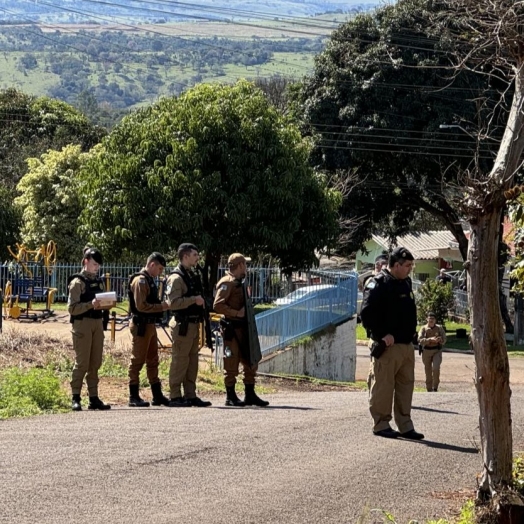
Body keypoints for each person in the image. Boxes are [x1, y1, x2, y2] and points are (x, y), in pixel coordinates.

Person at [360, 246, 424, 440]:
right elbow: (366, 314)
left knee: (406, 387)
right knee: (383, 386)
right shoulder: (378, 283)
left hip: (405, 345)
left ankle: (405, 425)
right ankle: (381, 424)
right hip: (387, 346)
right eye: (407, 265)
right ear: (396, 265)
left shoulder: (405, 283)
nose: (410, 269)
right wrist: (380, 335)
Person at [214, 253, 269, 407]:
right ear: (239, 265)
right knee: (231, 362)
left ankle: (250, 394)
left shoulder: (241, 282)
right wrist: (237, 313)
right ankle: (230, 396)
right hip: (232, 329)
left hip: (245, 329)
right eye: (245, 264)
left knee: (251, 361)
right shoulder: (227, 283)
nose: (246, 267)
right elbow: (217, 305)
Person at [165, 243, 212, 408]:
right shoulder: (176, 278)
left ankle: (190, 394)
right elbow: (173, 303)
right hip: (182, 325)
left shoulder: (191, 274)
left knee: (192, 361)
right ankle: (175, 395)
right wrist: (194, 300)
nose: (197, 258)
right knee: (180, 360)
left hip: (193, 324)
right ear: (185, 256)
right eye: (194, 255)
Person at [67, 247, 111, 412]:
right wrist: (89, 305)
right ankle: (76, 397)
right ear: (85, 262)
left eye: (98, 265)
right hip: (82, 324)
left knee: (95, 362)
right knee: (82, 363)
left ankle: (94, 398)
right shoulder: (77, 283)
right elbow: (72, 308)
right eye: (94, 264)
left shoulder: (98, 281)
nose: (96, 267)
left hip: (97, 323)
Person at [127, 252, 170, 407]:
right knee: (137, 360)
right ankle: (133, 395)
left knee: (153, 360)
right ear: (152, 265)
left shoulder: (150, 280)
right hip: (141, 325)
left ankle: (157, 395)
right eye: (159, 268)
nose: (160, 272)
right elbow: (141, 306)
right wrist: (162, 306)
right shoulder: (141, 281)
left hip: (150, 325)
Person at [418, 312, 446, 392]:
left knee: (436, 368)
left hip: (436, 350)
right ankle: (429, 389)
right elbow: (419, 340)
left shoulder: (439, 328)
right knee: (428, 370)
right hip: (426, 351)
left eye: (433, 319)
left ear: (435, 320)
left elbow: (444, 339)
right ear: (427, 319)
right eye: (430, 319)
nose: (431, 321)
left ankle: (435, 387)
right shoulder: (423, 328)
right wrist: (430, 340)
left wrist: (440, 340)